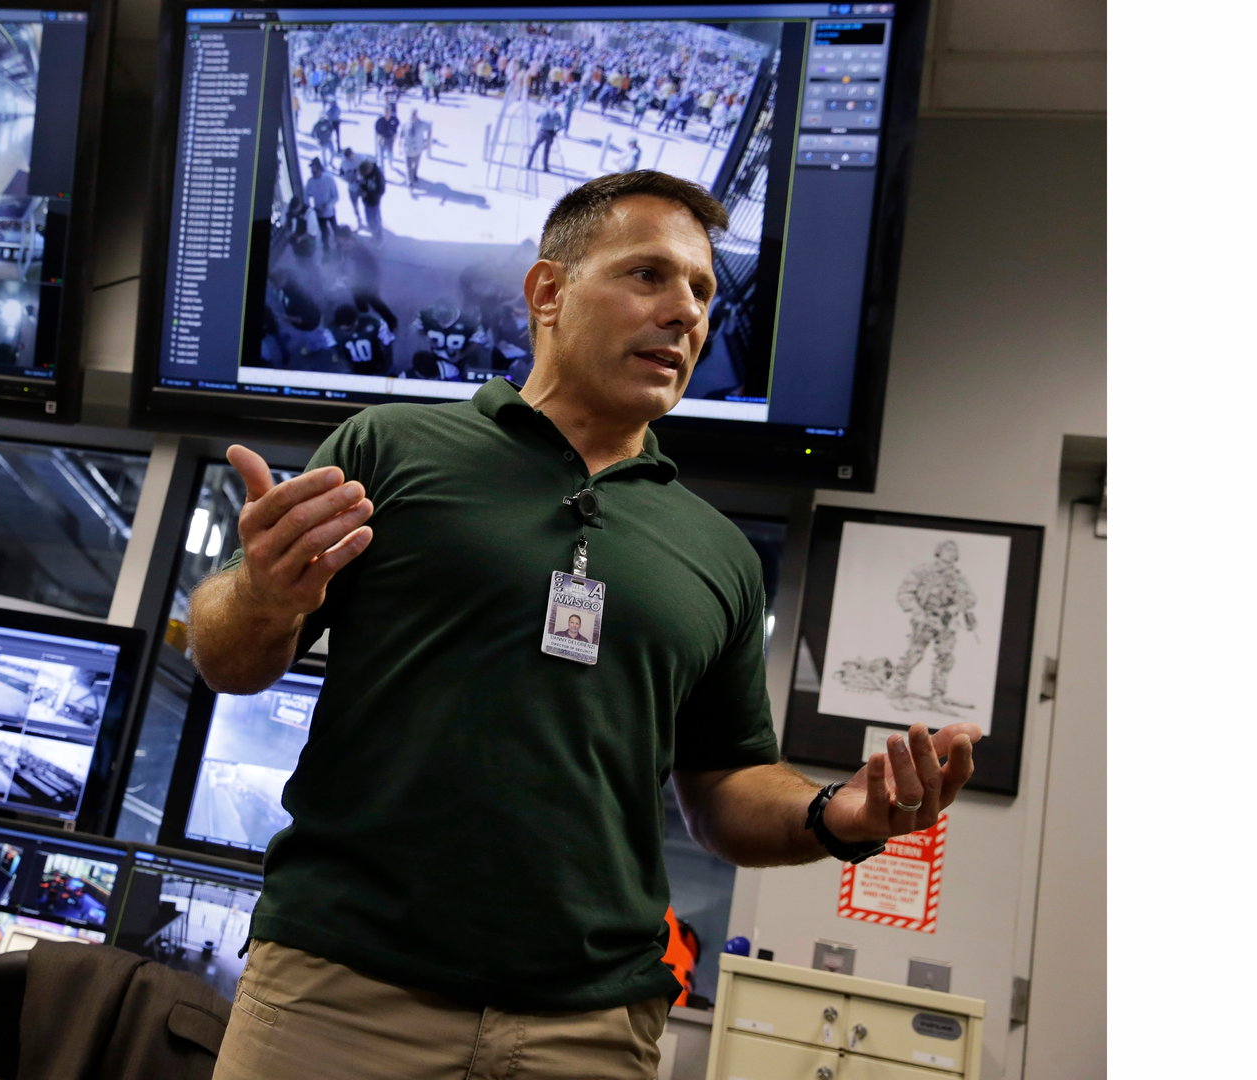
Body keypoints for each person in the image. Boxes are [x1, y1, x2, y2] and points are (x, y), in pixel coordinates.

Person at [192, 170, 982, 1080]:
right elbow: (227, 658)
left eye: (702, 292)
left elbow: (725, 785)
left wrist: (834, 814)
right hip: (342, 995)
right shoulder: (389, 451)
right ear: (548, 293)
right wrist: (261, 592)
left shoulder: (717, 556)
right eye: (649, 275)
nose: (686, 312)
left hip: (592, 1029)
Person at [889, 539, 978, 707]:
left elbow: (971, 598)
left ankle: (937, 696)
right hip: (925, 618)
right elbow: (904, 593)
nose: (951, 552)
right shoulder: (924, 571)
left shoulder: (958, 577)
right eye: (947, 549)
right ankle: (898, 690)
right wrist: (917, 611)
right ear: (939, 551)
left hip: (947, 623)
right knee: (914, 654)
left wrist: (955, 607)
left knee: (945, 659)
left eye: (954, 550)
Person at [302, 158, 339, 252]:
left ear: (319, 169)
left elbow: (335, 196)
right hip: (319, 213)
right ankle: (326, 251)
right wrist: (311, 208)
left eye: (315, 169)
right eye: (312, 170)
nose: (313, 172)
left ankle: (340, 248)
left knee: (336, 230)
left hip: (330, 212)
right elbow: (306, 195)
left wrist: (328, 206)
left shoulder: (329, 180)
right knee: (324, 232)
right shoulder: (310, 181)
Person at [354, 156, 386, 242]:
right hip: (366, 201)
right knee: (369, 220)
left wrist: (368, 194)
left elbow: (381, 190)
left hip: (374, 202)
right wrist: (362, 189)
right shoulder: (365, 174)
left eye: (365, 173)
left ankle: (379, 239)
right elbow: (362, 183)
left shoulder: (378, 176)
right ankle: (374, 235)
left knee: (376, 221)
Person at [528, 100, 564, 173]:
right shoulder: (557, 114)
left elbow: (537, 120)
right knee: (546, 151)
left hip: (542, 131)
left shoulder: (543, 111)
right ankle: (545, 167)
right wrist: (555, 131)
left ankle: (528, 164)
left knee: (534, 148)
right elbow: (561, 126)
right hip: (550, 133)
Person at [402, 109, 432, 188]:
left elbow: (429, 128)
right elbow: (401, 135)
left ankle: (414, 175)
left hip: (417, 150)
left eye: (414, 114)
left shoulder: (421, 124)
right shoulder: (406, 124)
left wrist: (428, 141)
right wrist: (400, 145)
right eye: (412, 114)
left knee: (415, 165)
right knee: (408, 167)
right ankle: (409, 181)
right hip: (408, 149)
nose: (413, 116)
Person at [373, 106, 400, 177]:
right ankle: (382, 173)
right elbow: (377, 130)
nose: (387, 113)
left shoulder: (394, 119)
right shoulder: (380, 121)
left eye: (388, 112)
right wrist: (378, 137)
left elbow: (397, 126)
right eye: (386, 112)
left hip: (390, 139)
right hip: (382, 139)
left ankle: (390, 164)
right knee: (381, 156)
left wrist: (395, 135)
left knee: (390, 154)